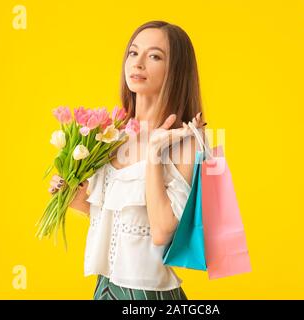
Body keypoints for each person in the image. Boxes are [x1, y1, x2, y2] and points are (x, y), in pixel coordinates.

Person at [48, 20, 206, 300]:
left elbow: (161, 232)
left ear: (176, 71)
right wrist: (77, 200)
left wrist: (155, 152)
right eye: (133, 53)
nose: (138, 63)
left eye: (154, 56)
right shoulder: (111, 133)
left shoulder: (185, 140)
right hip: (103, 287)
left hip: (149, 294)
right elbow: (119, 217)